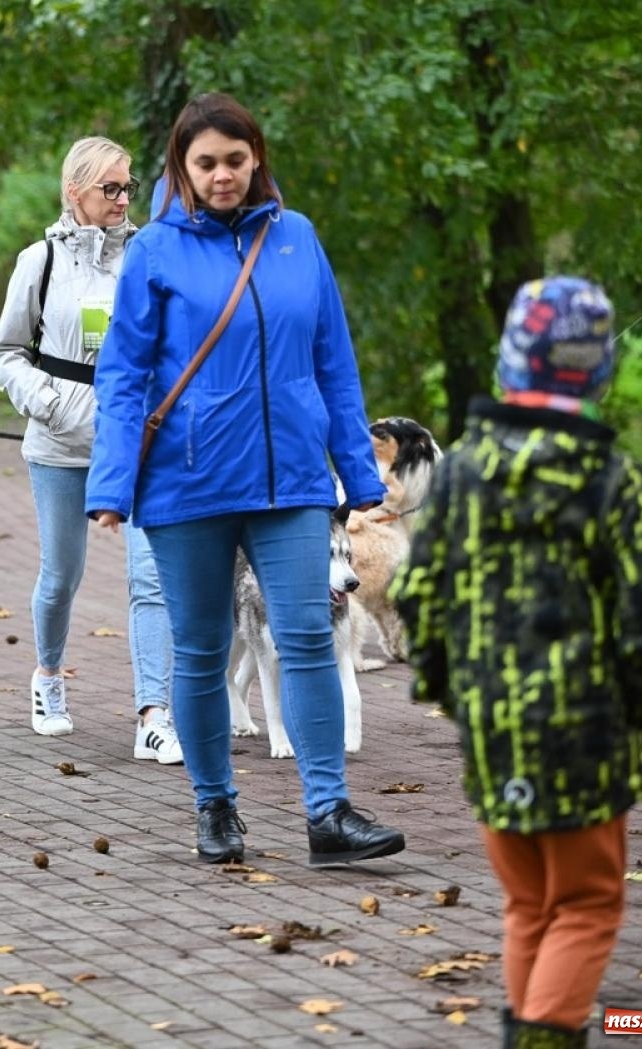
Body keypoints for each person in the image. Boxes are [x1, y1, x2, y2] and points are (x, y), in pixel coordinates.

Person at [85, 93, 405, 867]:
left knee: (306, 637)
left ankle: (328, 812)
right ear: (183, 170)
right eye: (206, 163)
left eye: (235, 159)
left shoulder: (296, 239)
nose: (222, 175)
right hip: (187, 485)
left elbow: (333, 360)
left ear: (255, 156)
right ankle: (214, 805)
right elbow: (124, 375)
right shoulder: (156, 252)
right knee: (201, 647)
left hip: (293, 482)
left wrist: (359, 473)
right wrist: (109, 485)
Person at [391, 278, 642, 1049]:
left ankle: (524, 1031)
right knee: (586, 904)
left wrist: (456, 693)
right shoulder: (611, 478)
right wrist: (639, 700)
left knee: (528, 905)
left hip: (493, 727)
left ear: (512, 363)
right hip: (589, 731)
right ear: (596, 369)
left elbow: (419, 595)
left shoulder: (459, 475)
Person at [0, 136, 181, 764]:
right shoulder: (39, 261)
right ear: (76, 192)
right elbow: (6, 351)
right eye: (111, 188)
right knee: (61, 577)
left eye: (129, 186)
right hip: (60, 441)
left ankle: (154, 713)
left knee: (150, 577)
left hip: (137, 444)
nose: (124, 199)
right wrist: (49, 404)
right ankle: (47, 676)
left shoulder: (148, 256)